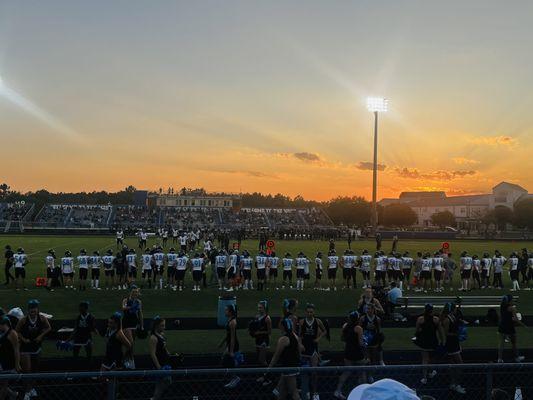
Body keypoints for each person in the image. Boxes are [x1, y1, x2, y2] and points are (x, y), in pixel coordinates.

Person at [16, 300, 51, 399]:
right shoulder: (23, 320)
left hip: (37, 348)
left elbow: (49, 328)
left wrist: (41, 336)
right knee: (27, 371)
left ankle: (31, 388)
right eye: (31, 308)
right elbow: (16, 331)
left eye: (34, 308)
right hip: (25, 349)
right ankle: (26, 391)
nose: (33, 310)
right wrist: (23, 339)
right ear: (28, 310)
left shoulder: (42, 318)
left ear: (38, 309)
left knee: (35, 370)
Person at [334, 311, 367, 400]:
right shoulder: (358, 328)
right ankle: (363, 392)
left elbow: (342, 338)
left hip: (348, 352)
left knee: (347, 371)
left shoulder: (345, 326)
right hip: (357, 353)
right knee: (362, 372)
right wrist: (365, 343)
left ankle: (338, 390)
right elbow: (360, 343)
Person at [268, 318, 302, 400]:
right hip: (292, 367)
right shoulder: (295, 336)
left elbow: (276, 356)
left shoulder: (283, 339)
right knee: (281, 392)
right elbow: (299, 351)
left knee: (294, 392)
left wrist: (269, 368)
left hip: (288, 368)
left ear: (283, 327)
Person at [299, 304, 326, 400]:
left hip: (313, 348)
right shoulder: (302, 322)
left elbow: (324, 331)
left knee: (314, 371)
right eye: (308, 312)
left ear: (314, 312)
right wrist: (300, 344)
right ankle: (305, 391)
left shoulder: (318, 321)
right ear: (305, 312)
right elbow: (299, 335)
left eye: (311, 312)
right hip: (304, 349)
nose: (310, 313)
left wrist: (318, 338)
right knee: (305, 371)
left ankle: (314, 392)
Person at [414, 304, 444, 384]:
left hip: (424, 342)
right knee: (432, 358)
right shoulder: (436, 319)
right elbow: (440, 332)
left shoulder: (420, 319)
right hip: (433, 341)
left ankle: (424, 378)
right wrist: (442, 341)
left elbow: (417, 331)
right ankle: (431, 371)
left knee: (424, 359)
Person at [440, 302, 466, 394]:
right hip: (451, 344)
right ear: (452, 309)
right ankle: (456, 384)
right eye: (455, 308)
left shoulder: (452, 317)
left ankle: (453, 383)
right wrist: (457, 334)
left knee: (452, 364)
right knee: (460, 364)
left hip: (454, 342)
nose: (456, 310)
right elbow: (446, 333)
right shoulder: (447, 319)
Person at [497, 294, 526, 363]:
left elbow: (502, 316)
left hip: (502, 326)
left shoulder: (502, 306)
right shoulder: (512, 308)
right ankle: (516, 357)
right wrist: (523, 325)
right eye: (512, 300)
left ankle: (500, 359)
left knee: (501, 343)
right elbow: (516, 319)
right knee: (514, 343)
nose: (513, 301)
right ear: (509, 301)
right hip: (509, 327)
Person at [149, 316, 172, 400]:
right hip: (160, 364)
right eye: (162, 325)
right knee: (160, 385)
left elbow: (164, 348)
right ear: (156, 326)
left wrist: (170, 355)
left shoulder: (161, 335)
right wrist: (158, 367)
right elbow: (152, 353)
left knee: (166, 382)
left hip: (165, 363)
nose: (164, 327)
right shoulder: (153, 338)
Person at [121, 286, 144, 369]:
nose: (135, 293)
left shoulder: (138, 302)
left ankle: (126, 360)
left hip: (134, 323)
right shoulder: (126, 300)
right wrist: (131, 307)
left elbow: (140, 314)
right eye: (133, 292)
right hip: (126, 323)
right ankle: (130, 360)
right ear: (130, 292)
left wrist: (142, 325)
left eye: (136, 292)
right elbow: (123, 308)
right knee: (130, 343)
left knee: (131, 344)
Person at [0, 315, 20, 400]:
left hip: (8, 363)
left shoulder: (12, 334)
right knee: (2, 384)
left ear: (4, 324)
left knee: (4, 384)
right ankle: (13, 394)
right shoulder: (2, 333)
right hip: (2, 361)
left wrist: (17, 364)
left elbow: (16, 350)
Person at [220, 304, 240, 389]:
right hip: (230, 344)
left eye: (226, 310)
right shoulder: (229, 320)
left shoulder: (232, 322)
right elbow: (228, 335)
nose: (225, 311)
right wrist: (222, 342)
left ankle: (235, 378)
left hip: (233, 345)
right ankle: (233, 376)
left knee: (227, 360)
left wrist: (231, 351)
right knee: (225, 359)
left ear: (230, 312)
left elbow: (232, 338)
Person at [252, 300, 272, 370]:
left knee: (262, 360)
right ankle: (262, 376)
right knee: (258, 359)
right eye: (258, 308)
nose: (259, 309)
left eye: (260, 308)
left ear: (265, 308)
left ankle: (268, 377)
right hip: (257, 339)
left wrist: (259, 333)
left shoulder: (267, 318)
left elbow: (269, 332)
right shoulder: (257, 317)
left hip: (264, 341)